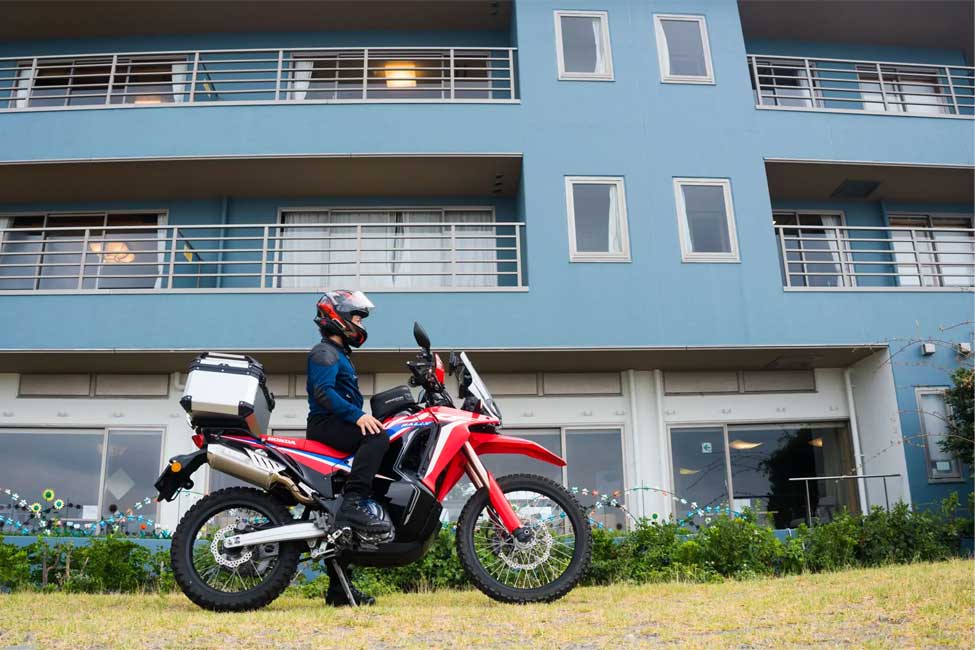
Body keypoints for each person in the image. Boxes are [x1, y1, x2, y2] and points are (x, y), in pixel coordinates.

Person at [306, 289, 390, 606]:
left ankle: (339, 590)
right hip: (327, 425)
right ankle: (355, 502)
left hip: (335, 424)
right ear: (336, 317)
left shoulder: (339, 354)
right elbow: (324, 393)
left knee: (337, 517)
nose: (358, 322)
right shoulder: (324, 353)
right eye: (355, 316)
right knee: (378, 437)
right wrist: (358, 417)